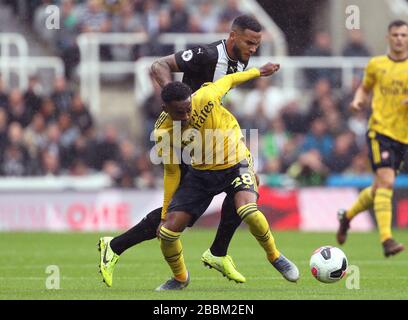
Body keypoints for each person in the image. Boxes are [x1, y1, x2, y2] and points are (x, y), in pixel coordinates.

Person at [99, 15, 266, 287]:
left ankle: (217, 252)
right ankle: (117, 246)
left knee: (239, 186)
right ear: (233, 36)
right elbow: (159, 64)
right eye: (250, 43)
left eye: (257, 44)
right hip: (181, 138)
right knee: (180, 212)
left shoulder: (241, 58)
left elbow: (223, 88)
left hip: (206, 136)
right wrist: (173, 98)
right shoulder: (207, 54)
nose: (253, 49)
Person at [154, 63, 299, 291]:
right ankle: (180, 278)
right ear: (165, 108)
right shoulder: (163, 132)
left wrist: (258, 72)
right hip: (202, 173)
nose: (187, 115)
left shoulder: (206, 95)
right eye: (179, 113)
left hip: (235, 162)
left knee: (248, 211)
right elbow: (172, 172)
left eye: (188, 109)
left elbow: (231, 80)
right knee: (167, 233)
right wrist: (164, 214)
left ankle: (275, 256)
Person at [336, 20, 408, 257]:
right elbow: (365, 88)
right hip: (380, 131)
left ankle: (347, 217)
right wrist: (358, 100)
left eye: (404, 35)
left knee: (379, 188)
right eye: (395, 34)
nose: (399, 38)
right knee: (387, 182)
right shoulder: (376, 64)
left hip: (403, 137)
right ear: (388, 38)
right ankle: (387, 239)